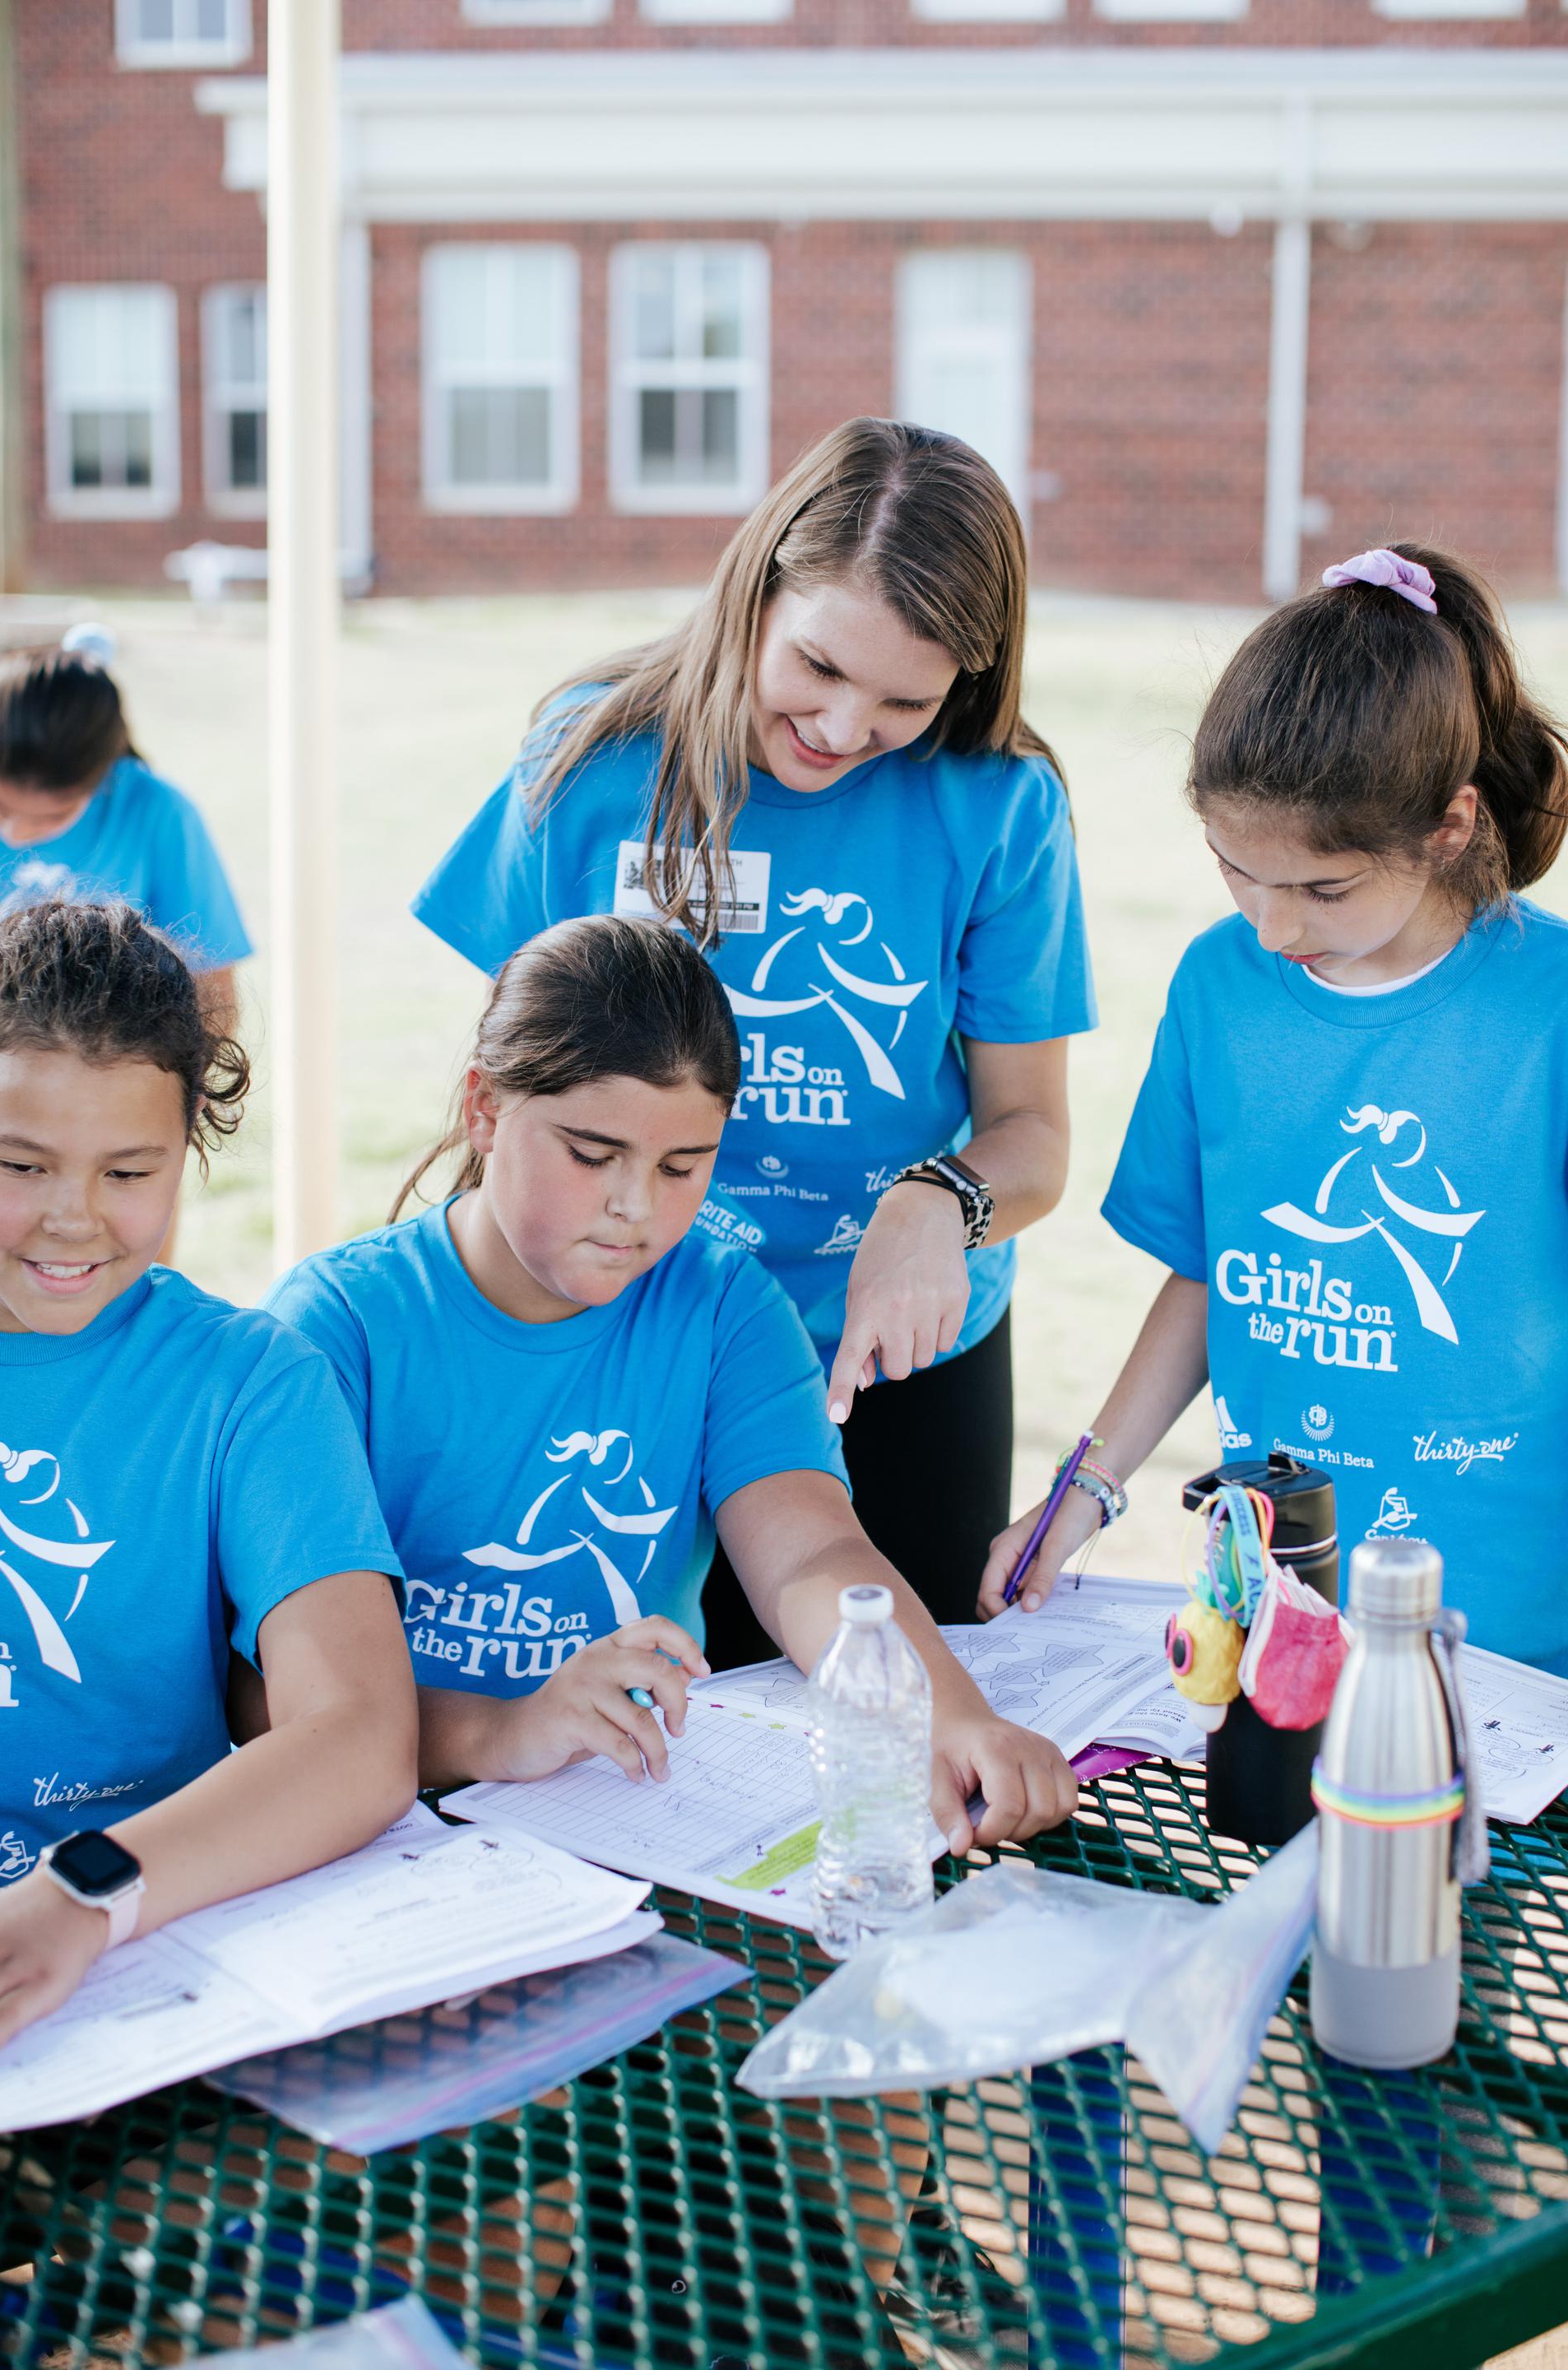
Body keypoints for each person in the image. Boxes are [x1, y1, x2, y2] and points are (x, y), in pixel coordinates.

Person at [411, 418, 1096, 1652]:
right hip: (626, 1325)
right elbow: (510, 1090)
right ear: (758, 588)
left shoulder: (999, 806)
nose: (842, 729)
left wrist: (940, 1202)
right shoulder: (593, 758)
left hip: (890, 1356)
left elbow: (1034, 1135)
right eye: (820, 668)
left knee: (889, 1714)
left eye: (905, 699)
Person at [267, 914, 1077, 1845]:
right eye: (590, 1153)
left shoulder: (727, 1307)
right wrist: (506, 1730)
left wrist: (944, 1714)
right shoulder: (338, 1326)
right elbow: (268, 1697)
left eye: (683, 1166)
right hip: (374, 1832)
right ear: (484, 1108)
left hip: (626, 1821)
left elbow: (813, 1558)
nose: (635, 1208)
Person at [980, 544, 1568, 1675]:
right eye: (1234, 871)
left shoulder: (1546, 1010)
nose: (1271, 926)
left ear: (1448, 827)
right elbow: (1208, 1273)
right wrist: (1085, 1493)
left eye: (1321, 889)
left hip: (1517, 1637)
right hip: (1275, 1611)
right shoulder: (1218, 986)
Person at [0, 899, 416, 2057]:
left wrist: (81, 1896)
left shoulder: (250, 1384)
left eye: (130, 1170)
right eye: (19, 1165)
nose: (72, 1218)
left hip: (144, 1939)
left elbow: (364, 1736)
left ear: (192, 1150)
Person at [0, 640, 251, 1039]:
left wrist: (189, 1091)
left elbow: (210, 984)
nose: (15, 833)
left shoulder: (158, 811)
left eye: (54, 817)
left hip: (104, 1068)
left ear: (105, 777)